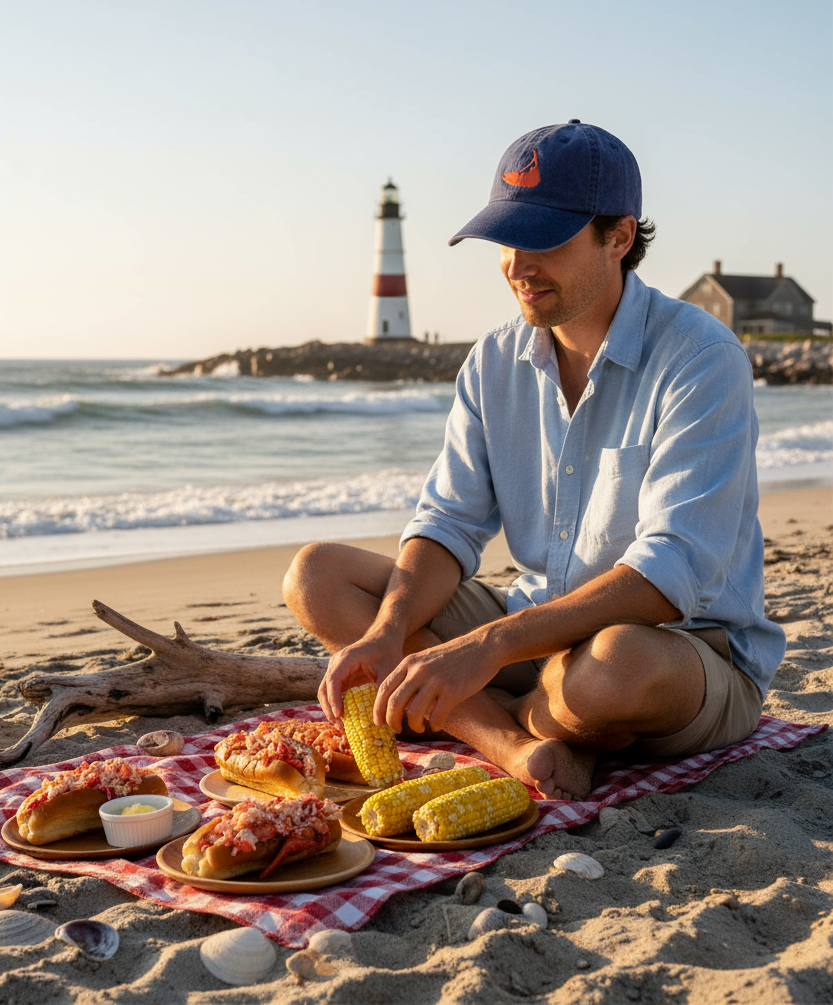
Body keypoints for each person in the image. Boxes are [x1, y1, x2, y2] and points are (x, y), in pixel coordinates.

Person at [282, 120, 785, 801]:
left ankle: (490, 714)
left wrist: (485, 648)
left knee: (615, 666)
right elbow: (448, 522)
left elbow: (673, 576)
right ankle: (515, 744)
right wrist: (389, 632)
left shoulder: (701, 356)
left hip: (685, 652)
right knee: (318, 575)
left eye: (544, 240)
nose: (518, 265)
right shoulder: (493, 360)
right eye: (506, 240)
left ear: (619, 236)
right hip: (538, 628)